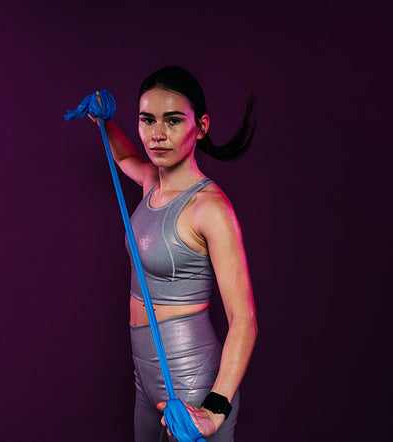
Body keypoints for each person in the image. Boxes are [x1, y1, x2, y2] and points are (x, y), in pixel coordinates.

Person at [89, 66, 258, 441]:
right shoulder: (151, 182)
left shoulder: (210, 208)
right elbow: (123, 159)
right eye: (147, 120)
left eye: (173, 121)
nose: (157, 134)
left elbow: (244, 319)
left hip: (191, 379)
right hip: (144, 376)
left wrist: (215, 409)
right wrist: (105, 119)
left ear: (200, 126)